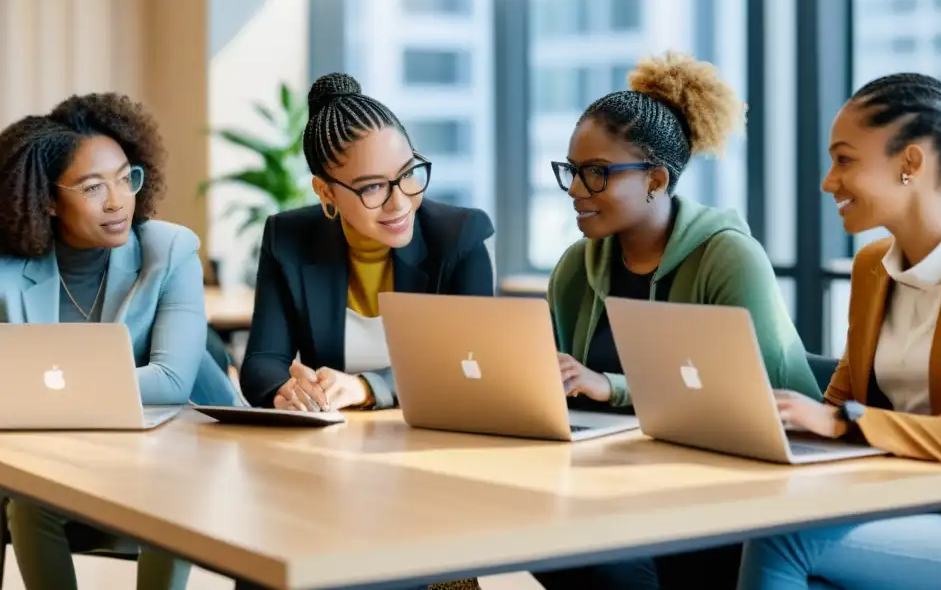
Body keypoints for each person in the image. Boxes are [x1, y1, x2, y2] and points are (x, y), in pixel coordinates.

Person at [538, 52, 821, 590]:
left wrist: (611, 387)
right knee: (549, 541)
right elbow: (556, 385)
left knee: (593, 561)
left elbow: (745, 400)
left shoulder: (728, 257)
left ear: (655, 179)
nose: (576, 190)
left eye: (596, 174)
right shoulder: (578, 265)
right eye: (572, 172)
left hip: (746, 483)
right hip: (630, 478)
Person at [738, 73, 941, 589]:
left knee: (784, 537)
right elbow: (841, 400)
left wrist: (845, 423)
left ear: (909, 163)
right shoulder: (873, 268)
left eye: (844, 160)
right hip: (895, 496)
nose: (828, 181)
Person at [239, 73, 493, 590]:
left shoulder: (460, 237)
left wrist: (365, 387)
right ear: (325, 191)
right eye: (374, 188)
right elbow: (261, 361)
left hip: (427, 473)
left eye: (409, 174)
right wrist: (287, 390)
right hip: (329, 469)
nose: (399, 202)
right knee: (266, 564)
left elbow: (469, 366)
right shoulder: (290, 237)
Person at [0, 93, 215, 590]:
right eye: (94, 187)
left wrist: (43, 396)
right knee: (31, 502)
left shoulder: (169, 251)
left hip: (167, 452)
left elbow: (171, 380)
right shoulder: (10, 270)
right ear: (48, 199)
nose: (118, 201)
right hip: (52, 457)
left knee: (168, 489)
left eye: (126, 177)